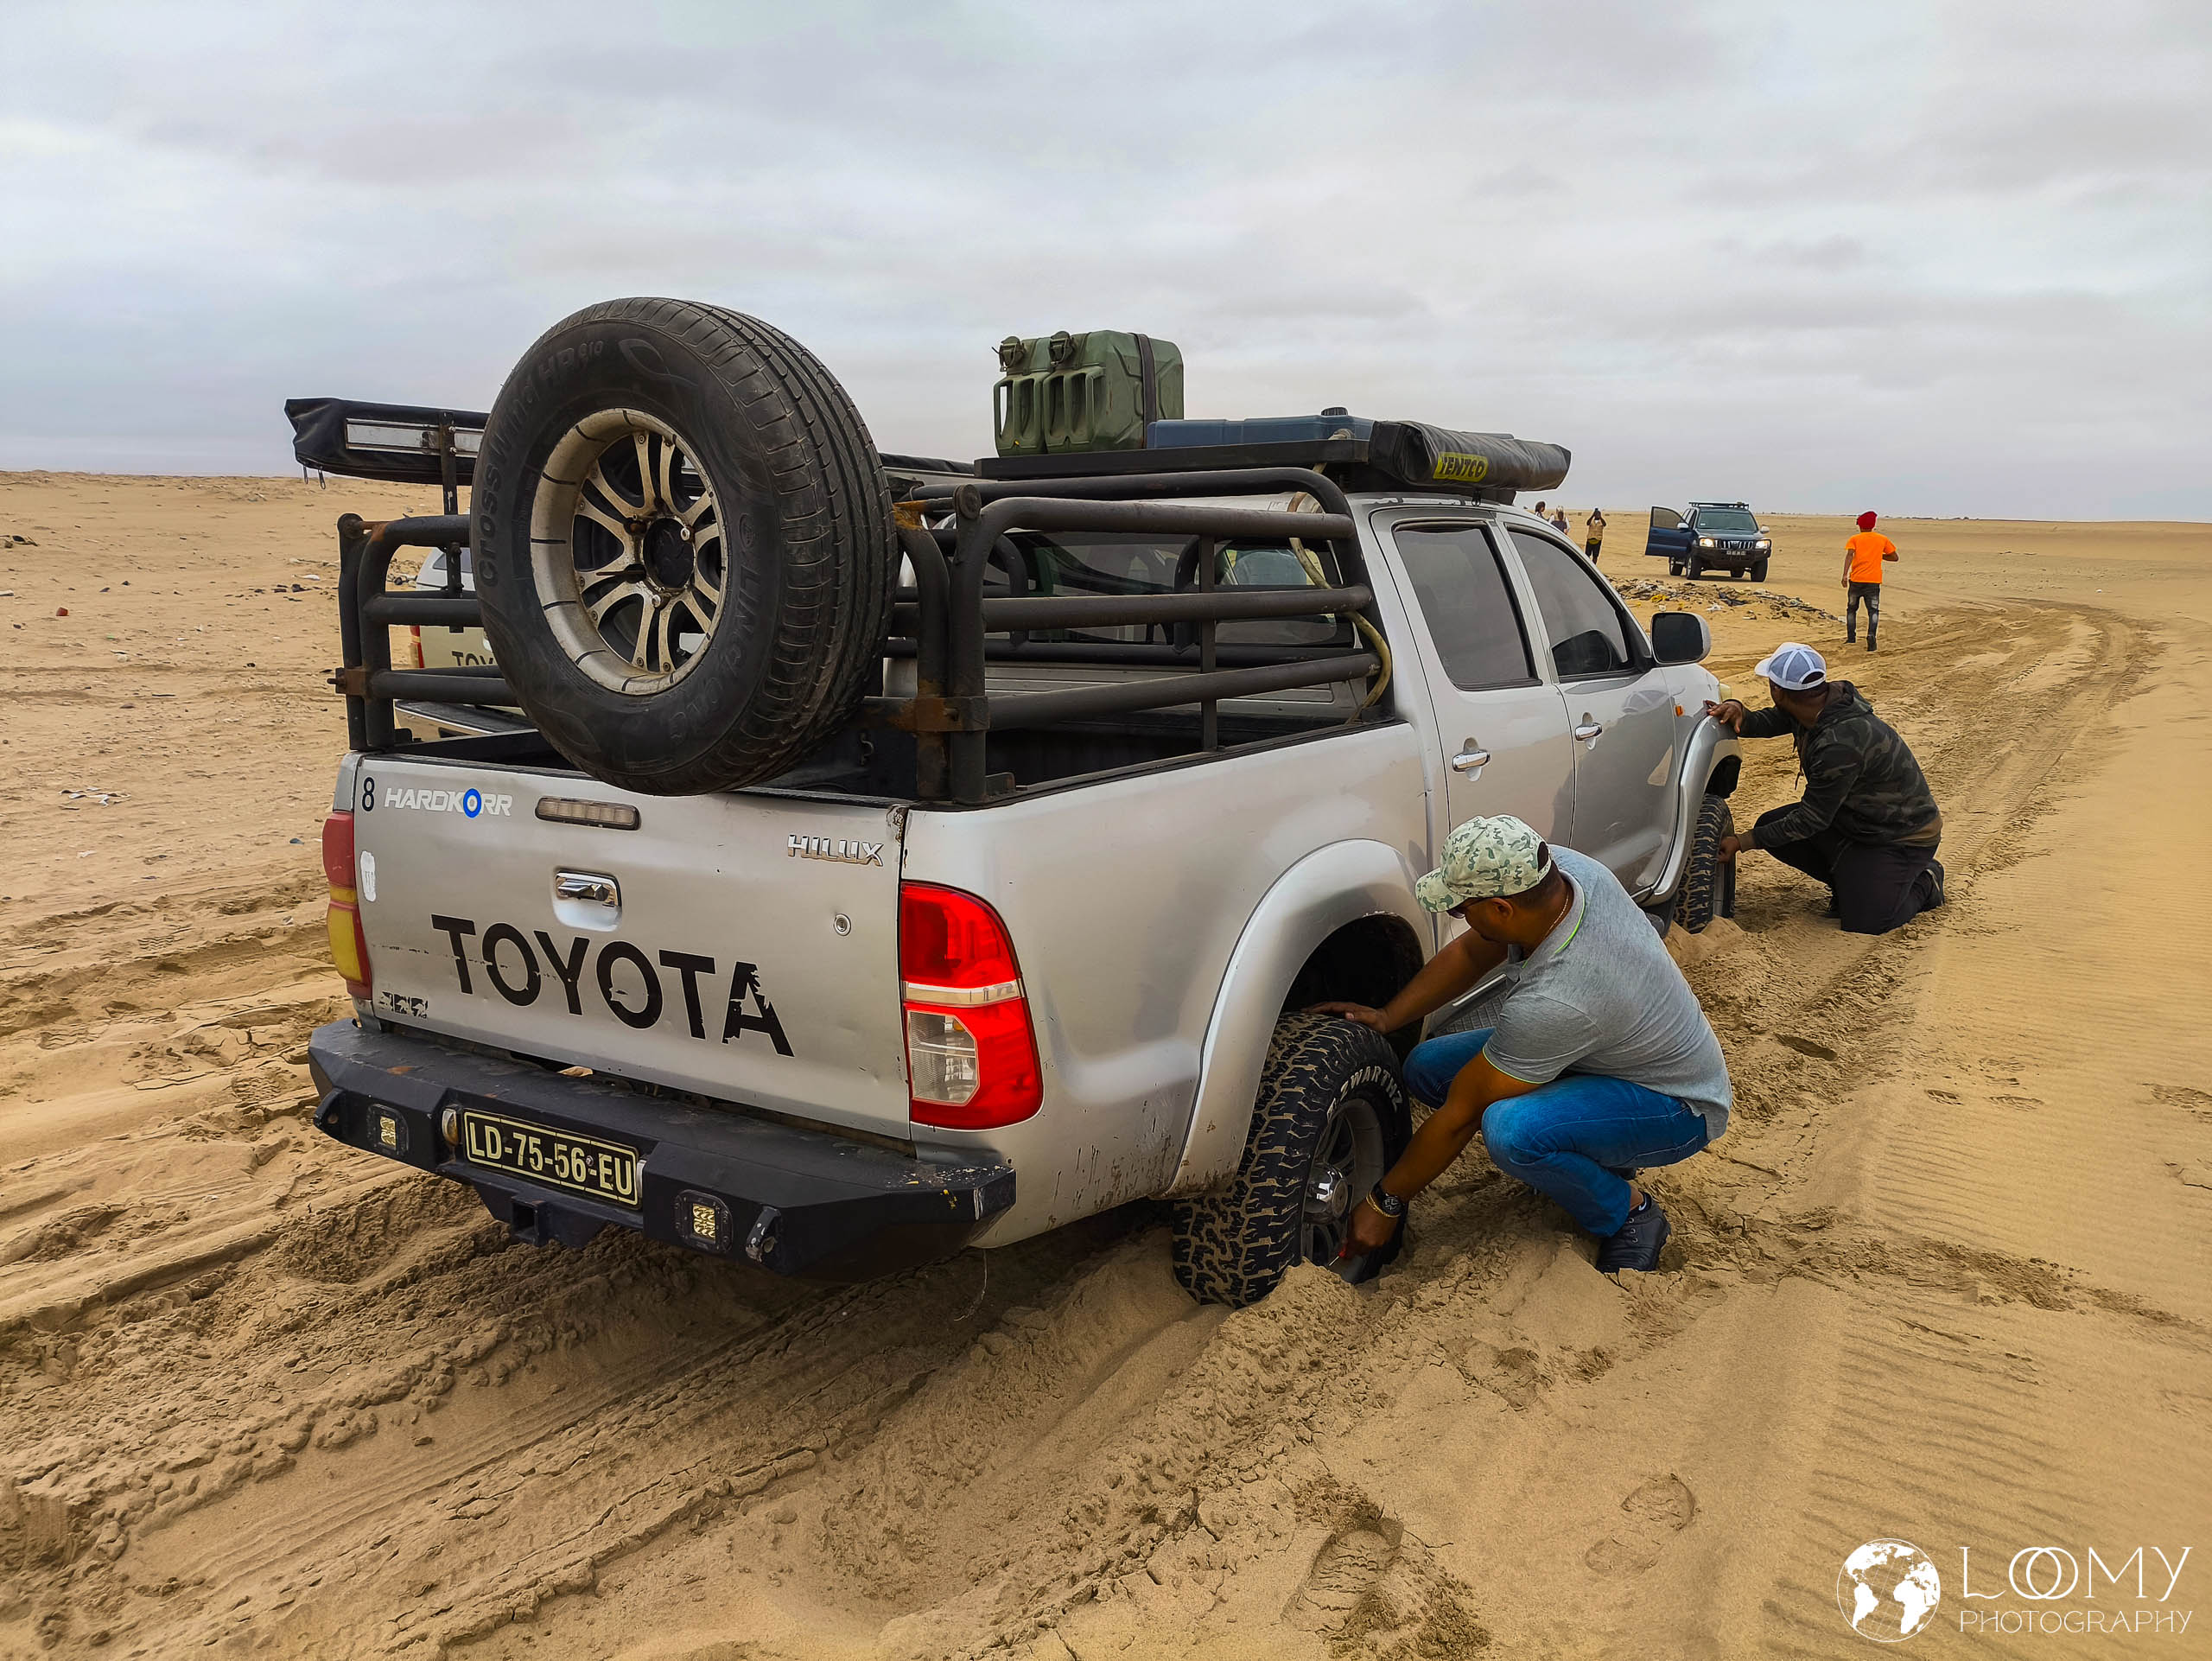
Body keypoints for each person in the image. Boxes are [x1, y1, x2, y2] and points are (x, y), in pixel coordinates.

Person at [1314, 816, 1732, 1275]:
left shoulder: (1558, 998)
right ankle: (1587, 1149)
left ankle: (1630, 1212)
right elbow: (1473, 952)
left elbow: (1461, 1116)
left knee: (1512, 1131)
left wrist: (1384, 1202)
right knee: (1428, 1067)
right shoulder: (1565, 874)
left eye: (1459, 909)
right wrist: (1389, 1016)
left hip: (1675, 1104)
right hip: (1606, 1053)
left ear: (1501, 909)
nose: (1458, 918)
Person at [1704, 641, 1945, 934]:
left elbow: (1812, 819)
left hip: (1900, 836)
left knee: (1867, 922)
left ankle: (1925, 880)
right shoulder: (1818, 705)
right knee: (1773, 826)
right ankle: (1855, 884)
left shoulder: (1840, 742)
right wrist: (1740, 711)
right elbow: (1774, 719)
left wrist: (1744, 842)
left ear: (1778, 691)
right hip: (1858, 821)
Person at [1842, 511, 1897, 651]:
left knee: (1851, 609)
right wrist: (1880, 556)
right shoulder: (1882, 539)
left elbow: (1849, 555)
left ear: (1860, 525)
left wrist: (1844, 575)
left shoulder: (1855, 539)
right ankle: (1871, 635)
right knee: (1873, 611)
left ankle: (1851, 637)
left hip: (1856, 580)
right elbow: (1895, 557)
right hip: (1873, 581)